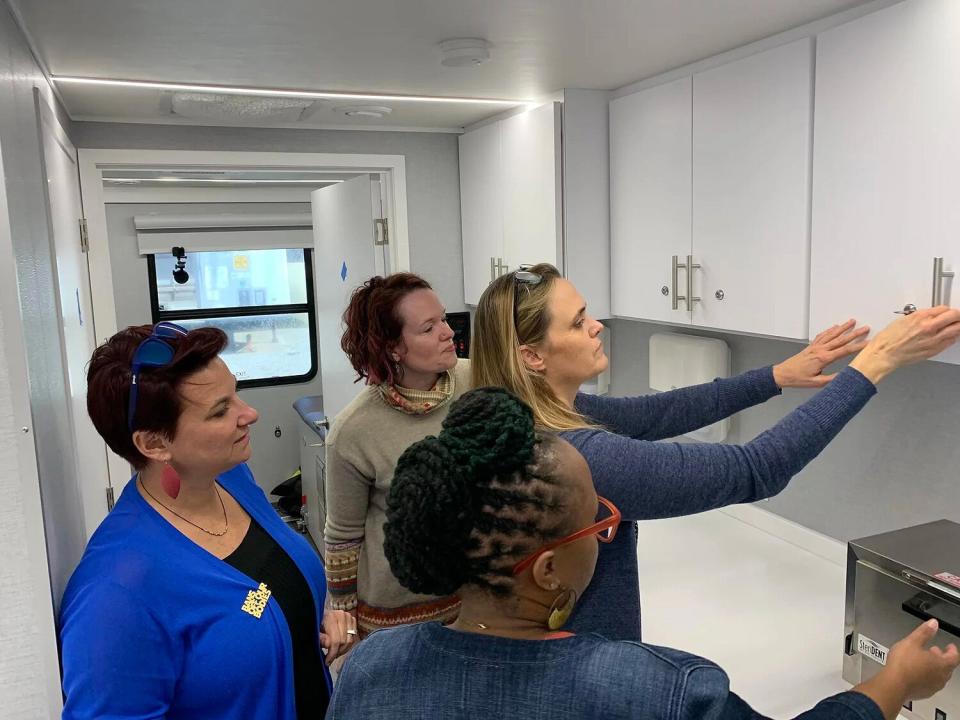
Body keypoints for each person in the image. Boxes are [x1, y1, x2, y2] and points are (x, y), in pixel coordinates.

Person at [327, 387, 959, 720]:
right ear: (547, 571)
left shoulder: (369, 671)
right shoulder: (657, 691)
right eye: (598, 523)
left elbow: (655, 412)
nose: (607, 530)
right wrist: (896, 679)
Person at [471, 263, 960, 640]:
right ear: (532, 355)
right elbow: (757, 469)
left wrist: (775, 377)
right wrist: (876, 363)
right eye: (578, 323)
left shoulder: (527, 419)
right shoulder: (575, 457)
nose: (596, 326)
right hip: (584, 669)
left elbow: (657, 413)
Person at [59, 322, 355, 720]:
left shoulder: (232, 480)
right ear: (154, 444)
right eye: (220, 411)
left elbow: (264, 593)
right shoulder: (115, 594)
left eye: (236, 393)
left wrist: (312, 615)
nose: (249, 413)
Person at [324, 273, 470, 636]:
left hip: (472, 600)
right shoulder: (353, 431)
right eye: (428, 328)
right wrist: (345, 622)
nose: (448, 332)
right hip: (394, 616)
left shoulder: (478, 380)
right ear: (393, 348)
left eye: (445, 319)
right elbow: (343, 537)